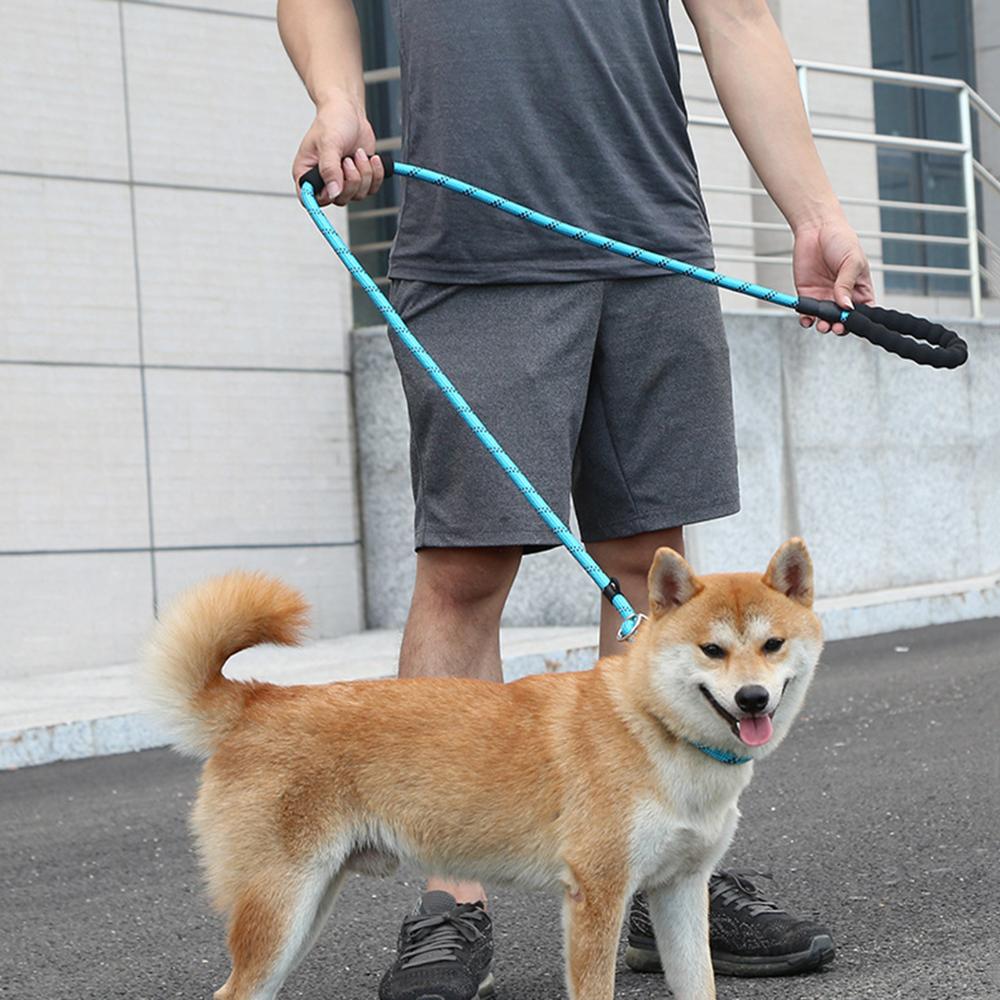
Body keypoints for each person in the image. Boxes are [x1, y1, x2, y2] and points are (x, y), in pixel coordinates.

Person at [278, 1, 874, 998]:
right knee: (465, 569)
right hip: (473, 247)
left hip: (652, 239)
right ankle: (448, 894)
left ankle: (650, 873)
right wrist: (337, 98)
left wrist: (814, 214)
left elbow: (737, 16)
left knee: (650, 568)